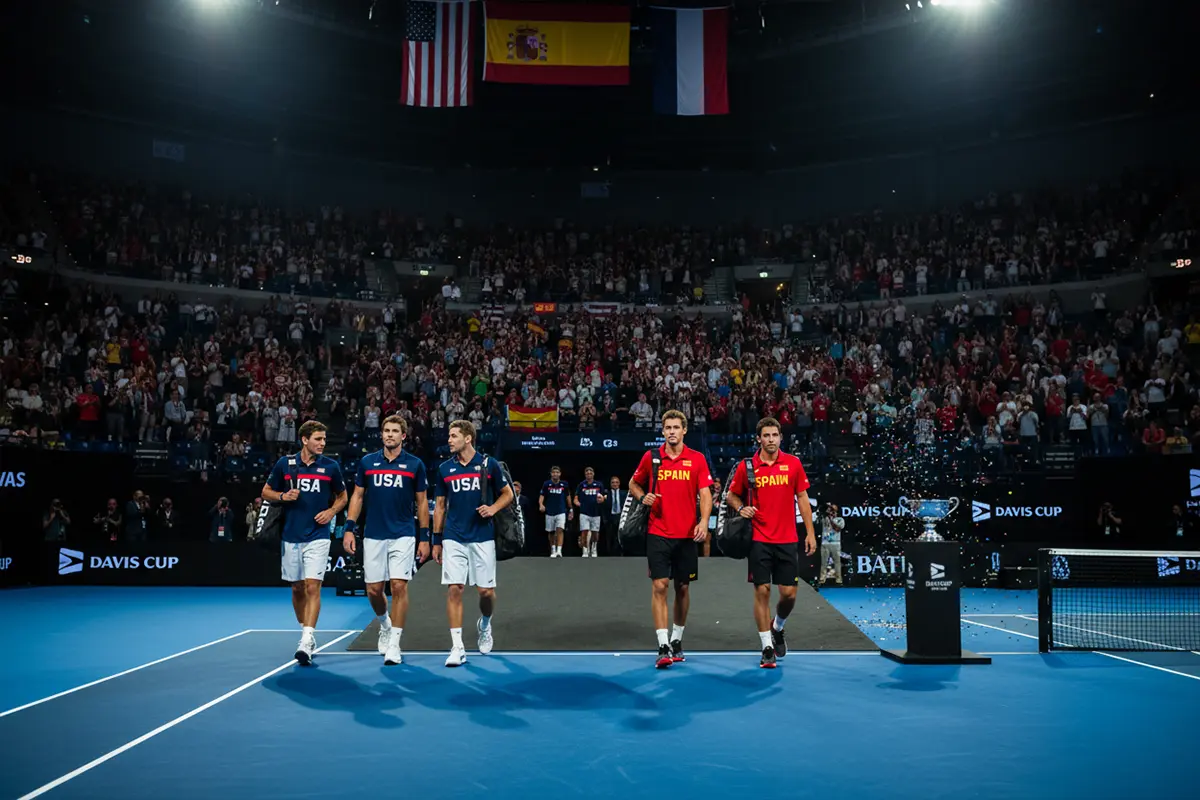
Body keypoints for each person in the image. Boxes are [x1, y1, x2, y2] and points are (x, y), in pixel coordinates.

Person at [725, 417, 817, 668]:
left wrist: (810, 532)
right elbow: (731, 495)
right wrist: (741, 507)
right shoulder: (747, 467)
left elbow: (803, 498)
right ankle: (766, 647)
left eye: (775, 435)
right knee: (762, 590)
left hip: (787, 538)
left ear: (780, 438)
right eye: (766, 435)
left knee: (788, 595)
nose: (771, 439)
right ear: (759, 439)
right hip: (758, 539)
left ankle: (777, 627)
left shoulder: (793, 464)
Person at [342, 415, 430, 665]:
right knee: (374, 590)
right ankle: (385, 624)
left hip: (403, 533)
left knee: (400, 586)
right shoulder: (367, 462)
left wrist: (424, 537)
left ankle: (395, 643)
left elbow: (422, 502)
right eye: (386, 431)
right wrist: (349, 528)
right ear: (381, 435)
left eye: (395, 431)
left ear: (404, 436)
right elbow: (357, 496)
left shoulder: (415, 465)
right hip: (373, 534)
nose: (390, 434)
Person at [629, 409, 713, 669]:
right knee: (660, 586)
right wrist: (644, 497)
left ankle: (677, 639)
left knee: (683, 588)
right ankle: (663, 644)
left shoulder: (697, 459)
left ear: (684, 430)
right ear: (663, 431)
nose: (672, 432)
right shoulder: (652, 457)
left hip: (686, 534)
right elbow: (633, 483)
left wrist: (703, 521)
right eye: (668, 428)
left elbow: (706, 494)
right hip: (658, 533)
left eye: (677, 427)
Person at [262, 420, 348, 665]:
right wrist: (282, 496)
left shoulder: (331, 467)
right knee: (297, 588)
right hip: (291, 536)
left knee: (313, 586)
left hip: (318, 536)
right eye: (318, 439)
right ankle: (305, 629)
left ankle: (307, 639)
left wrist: (331, 512)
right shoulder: (285, 464)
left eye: (324, 439)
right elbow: (265, 492)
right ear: (304, 440)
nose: (322, 443)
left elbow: (343, 496)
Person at [432, 420, 515, 667]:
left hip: (482, 536)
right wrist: (436, 540)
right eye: (449, 435)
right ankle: (457, 646)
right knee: (454, 589)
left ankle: (485, 624)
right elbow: (439, 506)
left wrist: (493, 508)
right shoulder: (445, 468)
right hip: (453, 536)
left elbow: (508, 494)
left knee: (485, 593)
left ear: (468, 438)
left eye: (454, 436)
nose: (449, 440)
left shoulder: (488, 465)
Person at [539, 466, 571, 558]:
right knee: (551, 532)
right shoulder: (546, 484)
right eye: (553, 472)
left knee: (560, 530)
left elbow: (568, 496)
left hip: (561, 511)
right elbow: (542, 496)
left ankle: (559, 551)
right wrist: (541, 504)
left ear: (560, 474)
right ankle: (553, 549)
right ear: (551, 474)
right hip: (549, 511)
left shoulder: (564, 484)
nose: (555, 474)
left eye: (557, 472)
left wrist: (571, 508)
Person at [575, 466, 606, 558]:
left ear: (593, 474)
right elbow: (576, 498)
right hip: (584, 512)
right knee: (584, 531)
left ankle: (594, 548)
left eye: (590, 473)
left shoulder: (599, 485)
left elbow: (604, 497)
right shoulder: (581, 485)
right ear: (585, 474)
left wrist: (602, 499)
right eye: (587, 473)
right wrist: (578, 503)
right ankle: (585, 550)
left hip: (596, 512)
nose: (589, 474)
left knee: (595, 534)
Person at [600, 476, 626, 557]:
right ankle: (609, 553)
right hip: (609, 517)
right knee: (609, 536)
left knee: (619, 536)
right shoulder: (605, 493)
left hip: (620, 516)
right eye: (613, 482)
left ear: (619, 483)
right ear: (610, 484)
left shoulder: (624, 493)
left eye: (616, 482)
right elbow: (603, 507)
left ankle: (620, 552)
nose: (615, 484)